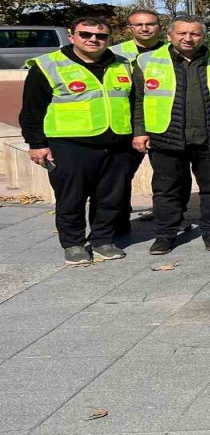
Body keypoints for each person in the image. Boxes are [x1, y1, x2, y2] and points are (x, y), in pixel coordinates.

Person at [133, 16, 210, 254]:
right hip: (166, 137)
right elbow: (138, 100)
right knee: (167, 190)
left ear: (203, 36)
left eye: (194, 34)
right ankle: (165, 235)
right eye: (182, 33)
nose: (188, 38)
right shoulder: (147, 61)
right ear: (169, 35)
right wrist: (140, 132)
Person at [22, 17, 136, 265]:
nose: (93, 39)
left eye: (101, 36)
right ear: (72, 36)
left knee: (110, 197)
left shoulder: (122, 64)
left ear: (109, 39)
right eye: (85, 34)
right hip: (69, 145)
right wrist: (36, 144)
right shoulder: (48, 65)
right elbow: (32, 110)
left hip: (116, 142)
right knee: (71, 198)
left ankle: (103, 240)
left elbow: (133, 102)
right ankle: (73, 244)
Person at [107, 8, 166, 233]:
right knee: (120, 175)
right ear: (129, 28)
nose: (145, 28)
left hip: (163, 123)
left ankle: (169, 217)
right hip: (126, 123)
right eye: (139, 25)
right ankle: (119, 220)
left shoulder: (172, 51)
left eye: (150, 24)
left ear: (159, 26)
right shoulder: (114, 53)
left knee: (167, 176)